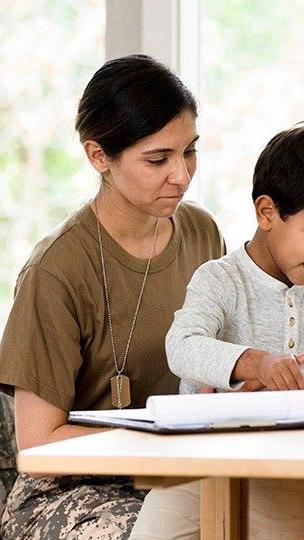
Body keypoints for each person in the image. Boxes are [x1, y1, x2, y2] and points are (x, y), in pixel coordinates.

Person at [130, 120, 304, 539]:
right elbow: (183, 346)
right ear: (267, 213)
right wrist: (256, 363)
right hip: (200, 469)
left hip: (287, 469)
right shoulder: (220, 280)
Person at [0, 54, 224, 539]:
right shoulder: (55, 271)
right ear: (99, 156)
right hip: (68, 493)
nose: (182, 175)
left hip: (179, 475)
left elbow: (218, 367)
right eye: (158, 159)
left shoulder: (203, 233)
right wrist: (163, 436)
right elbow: (38, 445)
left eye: (190, 151)